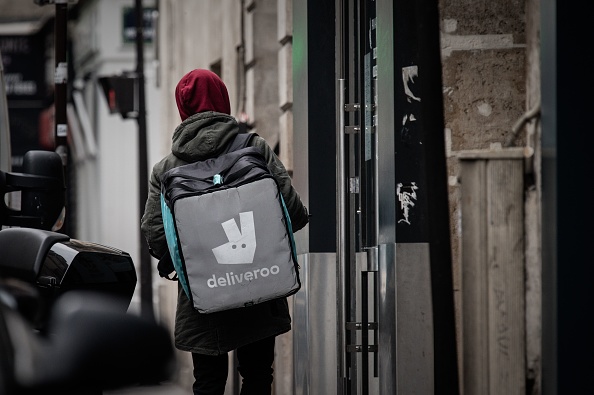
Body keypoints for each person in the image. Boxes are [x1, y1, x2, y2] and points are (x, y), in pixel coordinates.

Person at [140, 68, 309, 395]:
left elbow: (154, 235)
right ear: (222, 99)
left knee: (208, 382)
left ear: (182, 108)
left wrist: (188, 260)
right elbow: (294, 212)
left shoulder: (166, 169)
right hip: (260, 282)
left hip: (203, 294)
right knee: (258, 376)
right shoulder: (254, 146)